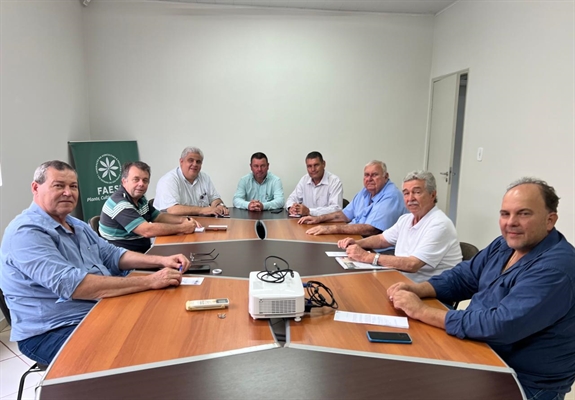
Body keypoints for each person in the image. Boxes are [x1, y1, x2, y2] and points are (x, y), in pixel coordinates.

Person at [387, 178, 575, 399]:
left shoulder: (556, 268)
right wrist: (419, 289)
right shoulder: (504, 244)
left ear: (549, 220)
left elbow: (500, 325)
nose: (511, 222)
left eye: (524, 214)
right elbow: (463, 277)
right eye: (505, 214)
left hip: (522, 380)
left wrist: (421, 311)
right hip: (480, 351)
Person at [0, 160, 192, 365]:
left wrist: (162, 260)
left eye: (73, 186)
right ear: (35, 188)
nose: (68, 192)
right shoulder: (26, 233)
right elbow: (76, 286)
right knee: (135, 351)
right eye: (59, 185)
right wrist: (150, 281)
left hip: (97, 308)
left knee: (162, 321)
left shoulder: (76, 224)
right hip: (54, 329)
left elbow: (112, 255)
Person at [338, 171, 461, 283]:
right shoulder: (406, 219)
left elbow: (412, 265)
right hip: (401, 281)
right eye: (406, 193)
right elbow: (381, 239)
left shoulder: (440, 224)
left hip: (431, 293)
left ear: (432, 195)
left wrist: (367, 257)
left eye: (417, 192)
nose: (410, 198)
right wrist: (358, 243)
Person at [99, 161, 201, 253]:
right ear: (124, 181)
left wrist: (185, 220)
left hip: (142, 252)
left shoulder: (140, 199)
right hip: (123, 260)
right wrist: (183, 228)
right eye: (136, 179)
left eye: (145, 180)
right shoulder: (119, 204)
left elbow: (159, 217)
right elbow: (147, 230)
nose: (141, 184)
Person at [299, 161, 406, 236]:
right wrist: (318, 219)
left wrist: (330, 228)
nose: (369, 179)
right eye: (366, 175)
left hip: (378, 248)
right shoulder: (366, 191)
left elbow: (371, 229)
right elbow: (345, 215)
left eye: (374, 175)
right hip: (357, 238)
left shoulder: (391, 195)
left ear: (386, 176)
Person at [154, 147, 229, 216]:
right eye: (191, 160)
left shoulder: (204, 178)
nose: (195, 164)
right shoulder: (169, 180)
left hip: (198, 222)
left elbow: (214, 198)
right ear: (181, 161)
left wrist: (219, 206)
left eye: (198, 162)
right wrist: (203, 210)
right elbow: (173, 210)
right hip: (170, 224)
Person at [285, 151, 343, 217]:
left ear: (323, 164)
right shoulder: (304, 179)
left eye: (316, 165)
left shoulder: (334, 181)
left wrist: (309, 211)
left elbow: (336, 209)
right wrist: (291, 208)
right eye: (309, 166)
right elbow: (291, 199)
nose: (313, 169)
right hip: (307, 222)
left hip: (327, 223)